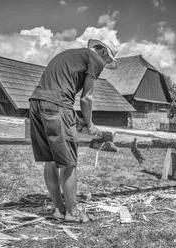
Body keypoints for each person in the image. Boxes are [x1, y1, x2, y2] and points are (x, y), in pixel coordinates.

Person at [29, 38, 118, 222]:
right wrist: (90, 124)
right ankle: (72, 212)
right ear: (102, 52)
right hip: (57, 105)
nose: (105, 64)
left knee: (50, 160)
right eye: (108, 60)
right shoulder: (95, 59)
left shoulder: (69, 54)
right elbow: (87, 98)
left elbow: (57, 87)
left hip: (35, 103)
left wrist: (75, 119)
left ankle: (58, 210)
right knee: (69, 163)